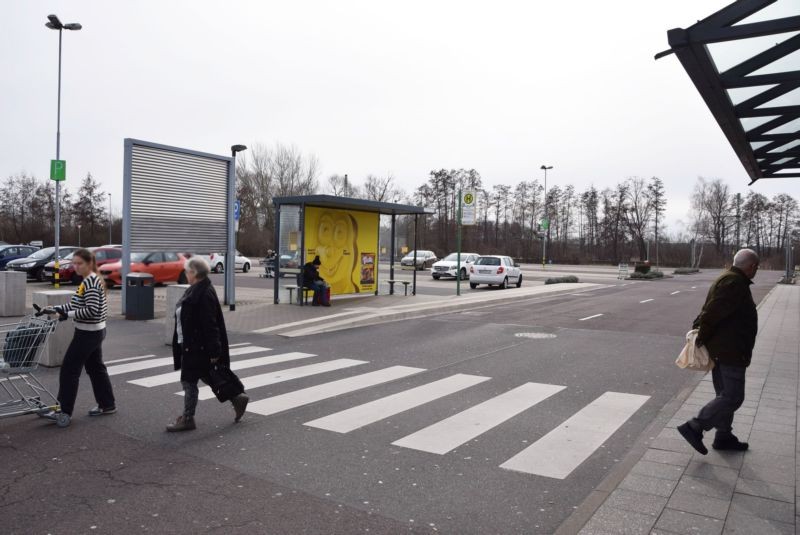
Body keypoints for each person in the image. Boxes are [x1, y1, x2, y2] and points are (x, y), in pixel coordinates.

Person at [678, 248, 759, 454]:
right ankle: (695, 426)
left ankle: (723, 436)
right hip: (729, 350)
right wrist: (702, 337)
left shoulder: (729, 278)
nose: (756, 270)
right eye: (756, 267)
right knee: (732, 397)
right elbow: (712, 313)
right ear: (751, 267)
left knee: (724, 394)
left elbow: (711, 311)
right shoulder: (734, 283)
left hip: (725, 348)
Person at [168, 257, 249, 431]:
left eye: (187, 271)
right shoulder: (196, 289)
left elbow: (210, 325)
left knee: (189, 382)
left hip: (197, 347)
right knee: (208, 376)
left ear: (194, 273)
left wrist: (214, 351)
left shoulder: (203, 293)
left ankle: (188, 418)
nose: (185, 274)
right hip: (192, 344)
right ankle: (236, 397)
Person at [43, 248, 115, 427]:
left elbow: (92, 310)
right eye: (74, 263)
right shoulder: (89, 280)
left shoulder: (91, 282)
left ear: (89, 263)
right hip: (93, 331)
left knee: (69, 370)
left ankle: (64, 410)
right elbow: (77, 303)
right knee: (96, 368)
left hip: (88, 333)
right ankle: (107, 404)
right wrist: (58, 309)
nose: (75, 266)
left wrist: (65, 315)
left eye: (79, 263)